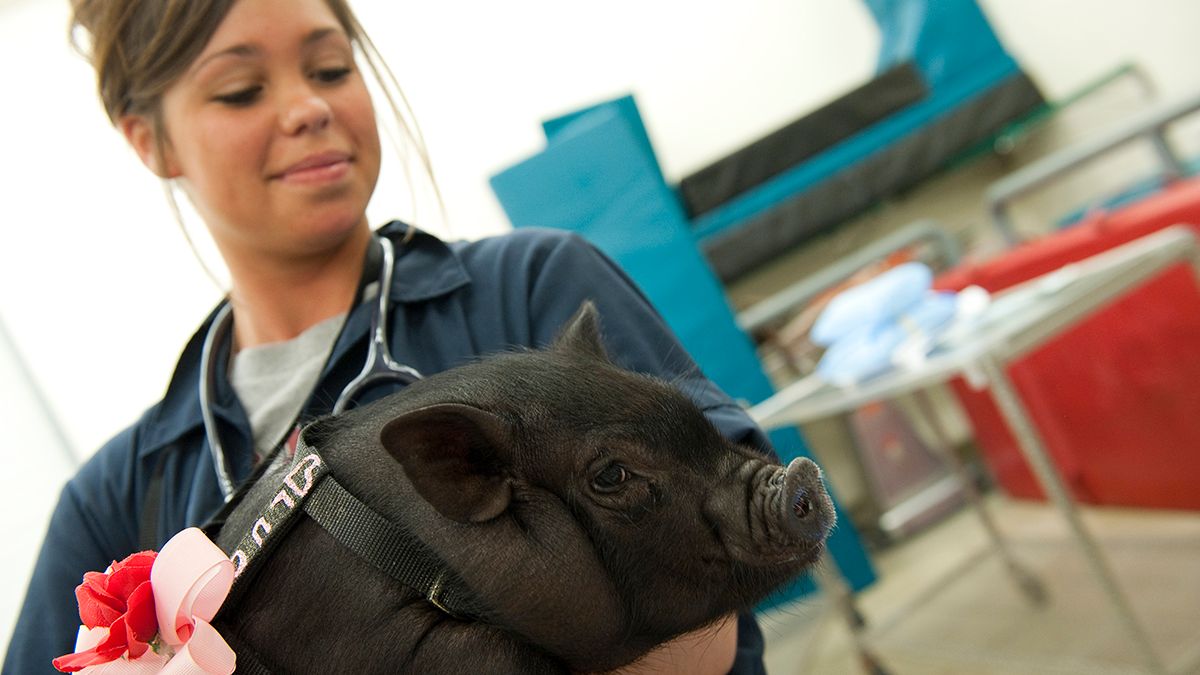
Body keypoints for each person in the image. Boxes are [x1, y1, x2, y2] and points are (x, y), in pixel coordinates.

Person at [3, 0, 774, 672]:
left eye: (331, 69)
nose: (307, 106)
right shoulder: (117, 500)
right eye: (241, 90)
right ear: (151, 141)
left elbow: (728, 568)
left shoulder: (534, 292)